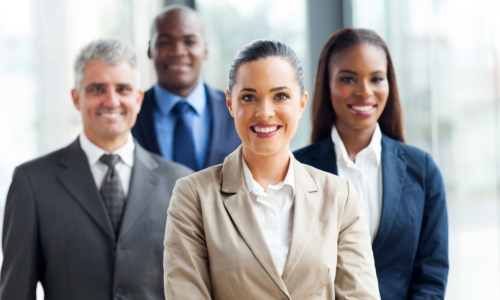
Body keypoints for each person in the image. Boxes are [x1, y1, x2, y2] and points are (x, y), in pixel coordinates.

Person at [163, 39, 380, 299]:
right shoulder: (194, 196)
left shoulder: (339, 196)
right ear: (230, 103)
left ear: (301, 103)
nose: (264, 112)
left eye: (280, 96)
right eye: (249, 97)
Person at [0, 38, 192, 299]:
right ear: (76, 98)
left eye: (122, 89)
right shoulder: (32, 183)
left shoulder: (180, 182)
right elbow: (15, 291)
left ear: (137, 99)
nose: (111, 101)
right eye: (97, 89)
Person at [294, 28, 449, 299]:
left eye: (376, 78)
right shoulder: (296, 169)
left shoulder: (422, 170)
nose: (364, 91)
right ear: (327, 85)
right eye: (348, 79)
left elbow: (431, 277)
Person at [132, 5, 240, 171]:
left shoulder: (237, 111)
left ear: (205, 49)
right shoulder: (130, 114)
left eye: (189, 42)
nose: (178, 52)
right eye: (165, 42)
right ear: (149, 50)